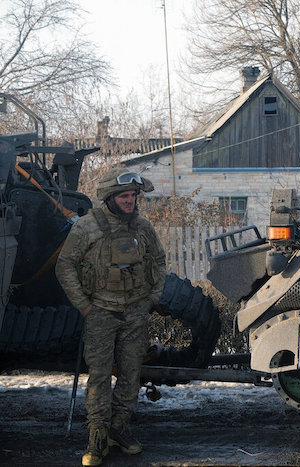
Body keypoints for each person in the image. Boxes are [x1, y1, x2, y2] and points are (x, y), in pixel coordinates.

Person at [56, 167, 166, 466]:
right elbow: (65, 267)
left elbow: (159, 262)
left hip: (135, 313)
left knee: (131, 373)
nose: (130, 201)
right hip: (101, 311)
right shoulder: (86, 228)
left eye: (133, 195)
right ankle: (97, 434)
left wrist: (151, 299)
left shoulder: (143, 228)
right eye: (124, 196)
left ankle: (119, 427)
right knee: (100, 376)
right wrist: (85, 306)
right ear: (110, 198)